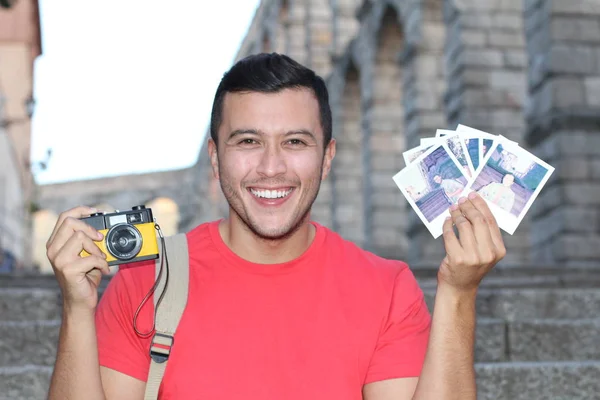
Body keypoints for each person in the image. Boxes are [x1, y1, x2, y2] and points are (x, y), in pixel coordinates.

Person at [46, 53, 506, 400]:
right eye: (248, 141)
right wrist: (76, 308)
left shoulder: (388, 288)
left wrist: (458, 295)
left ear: (327, 157)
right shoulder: (144, 279)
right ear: (215, 157)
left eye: (294, 142)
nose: (271, 167)